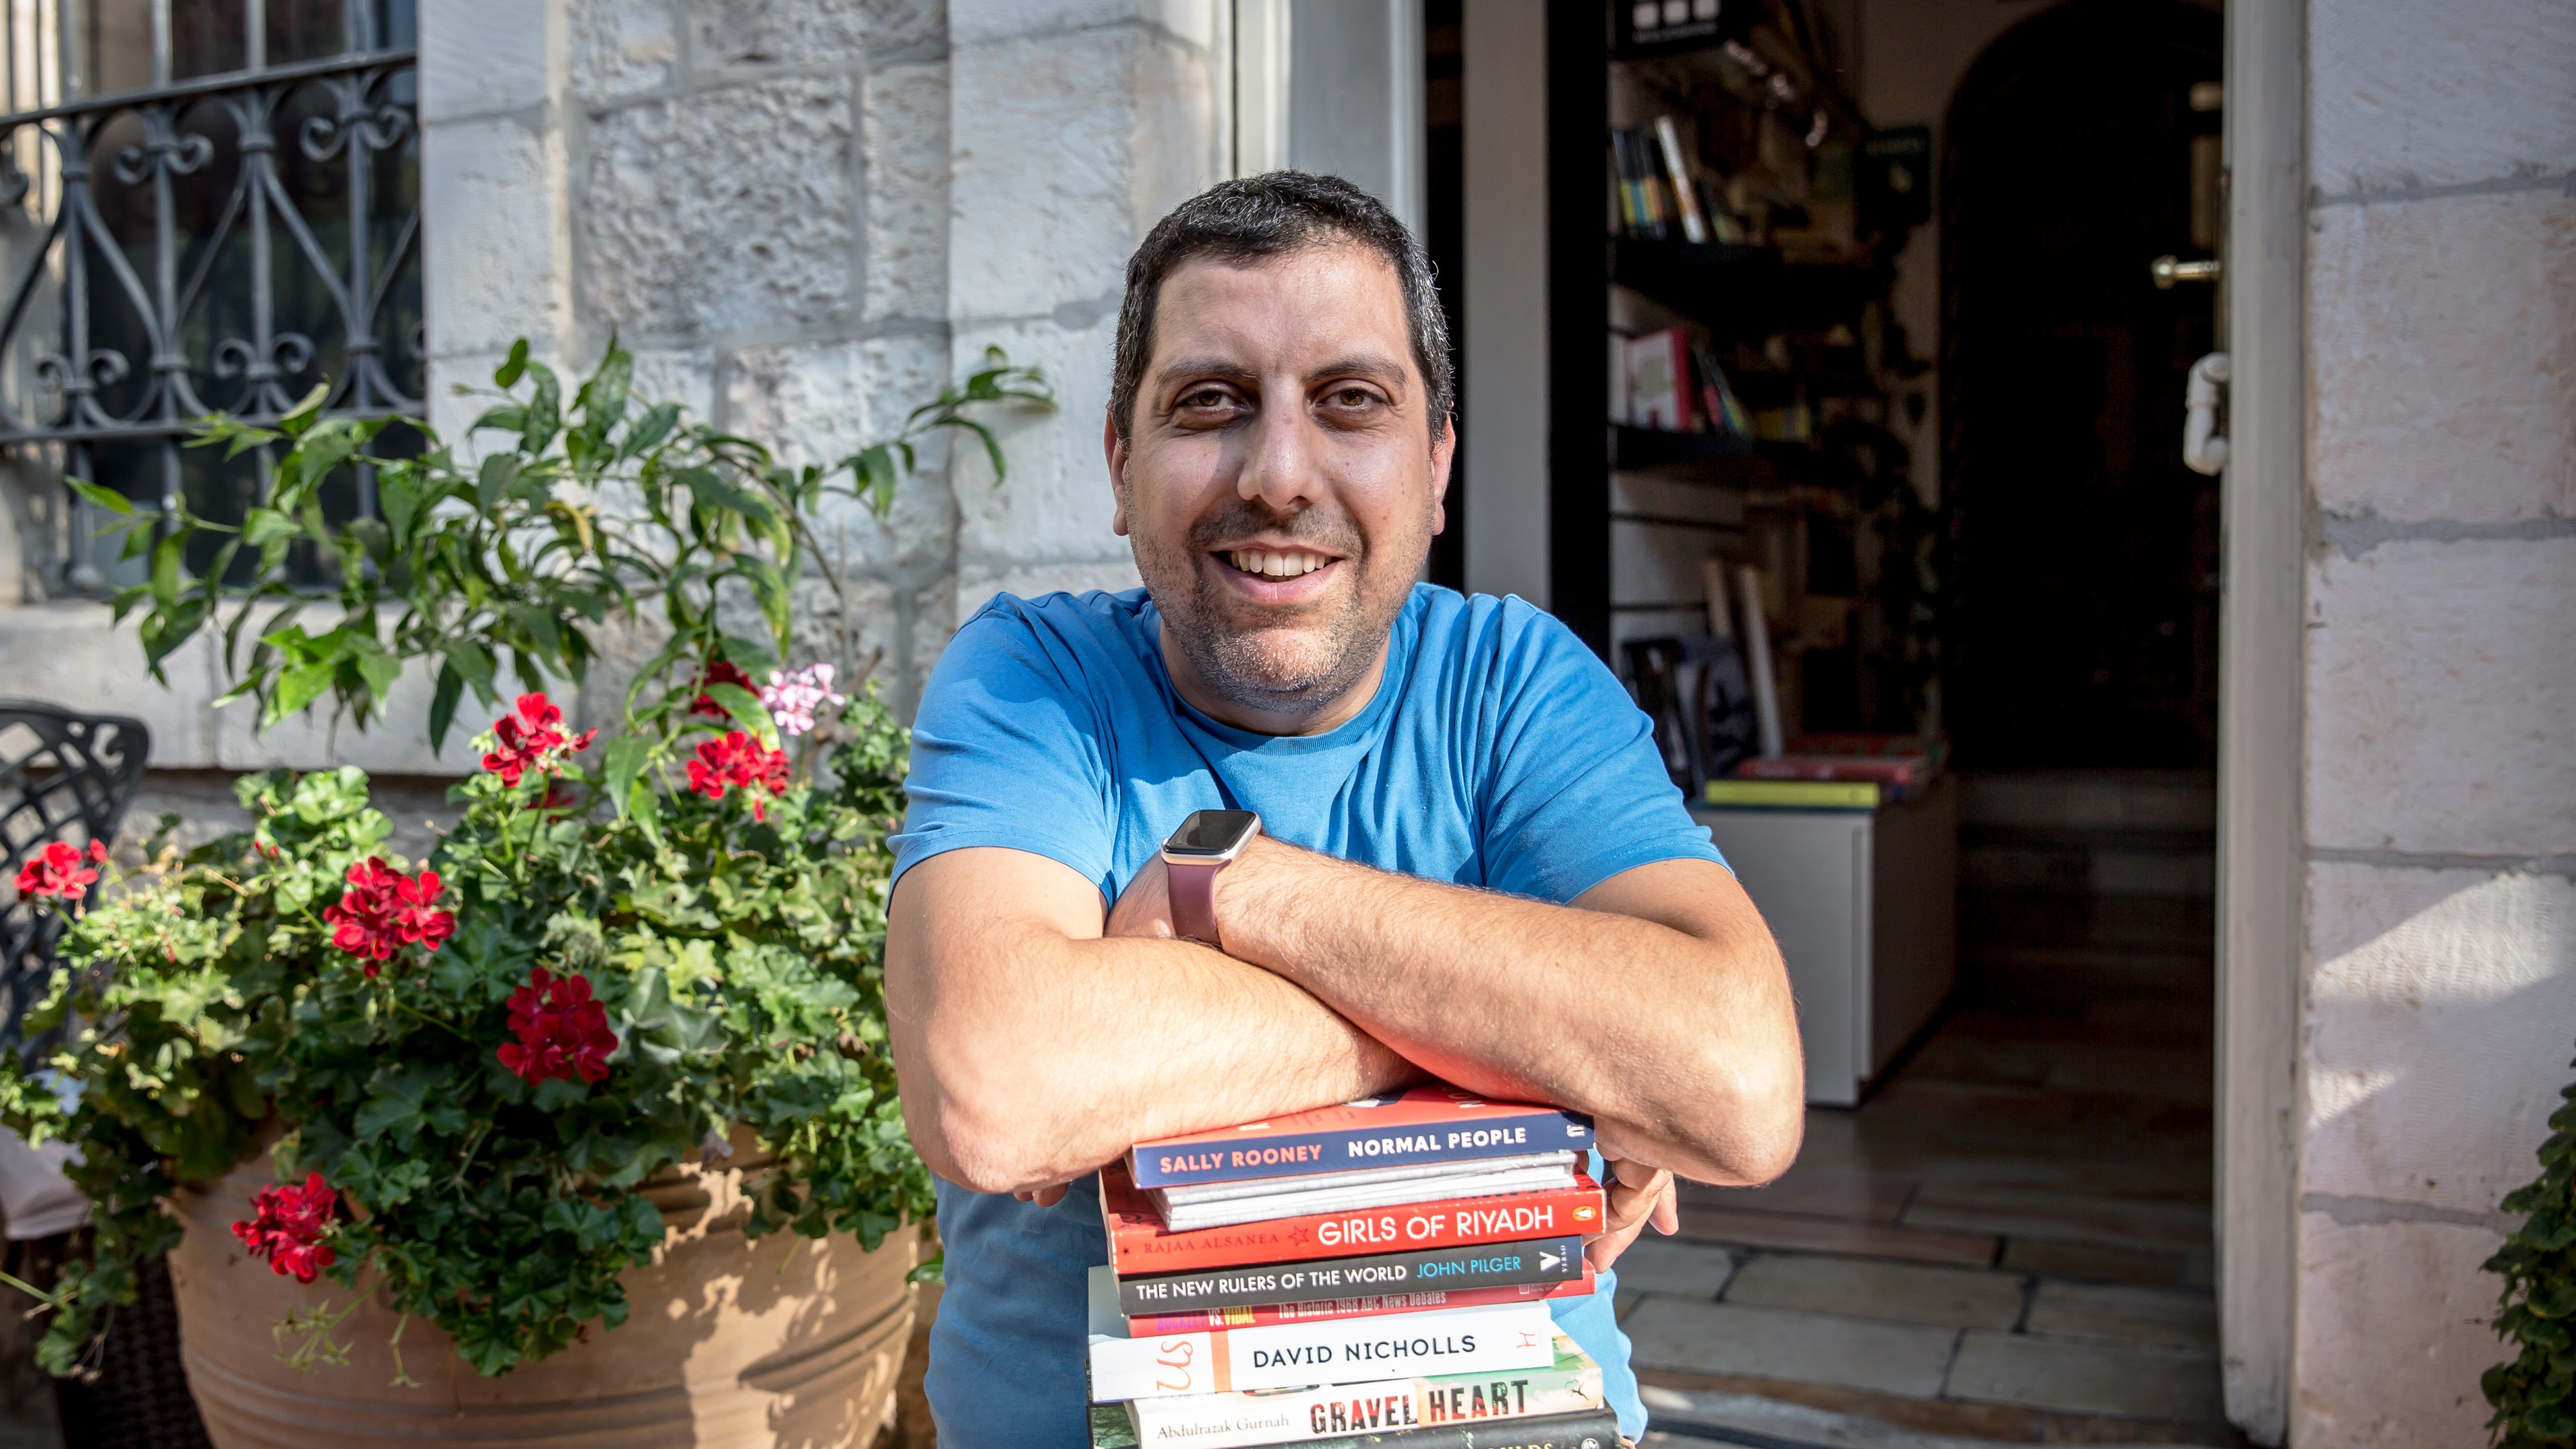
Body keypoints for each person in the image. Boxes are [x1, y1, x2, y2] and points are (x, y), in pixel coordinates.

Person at [885, 171, 1803, 1446]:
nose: (1275, 473)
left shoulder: (1515, 681)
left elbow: (1739, 1086)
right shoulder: (1034, 682)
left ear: (1435, 470)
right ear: (1119, 463)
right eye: (1208, 402)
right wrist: (1521, 1058)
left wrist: (1240, 891)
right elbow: (993, 1087)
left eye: (1349, 402)